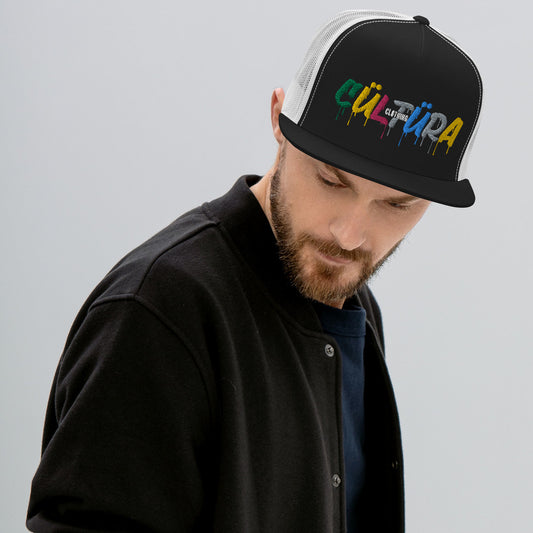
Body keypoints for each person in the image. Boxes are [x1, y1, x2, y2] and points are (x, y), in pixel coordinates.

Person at [27, 10, 483, 533]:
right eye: (332, 181)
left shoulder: (353, 302)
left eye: (397, 205)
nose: (351, 235)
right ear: (278, 121)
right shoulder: (159, 311)